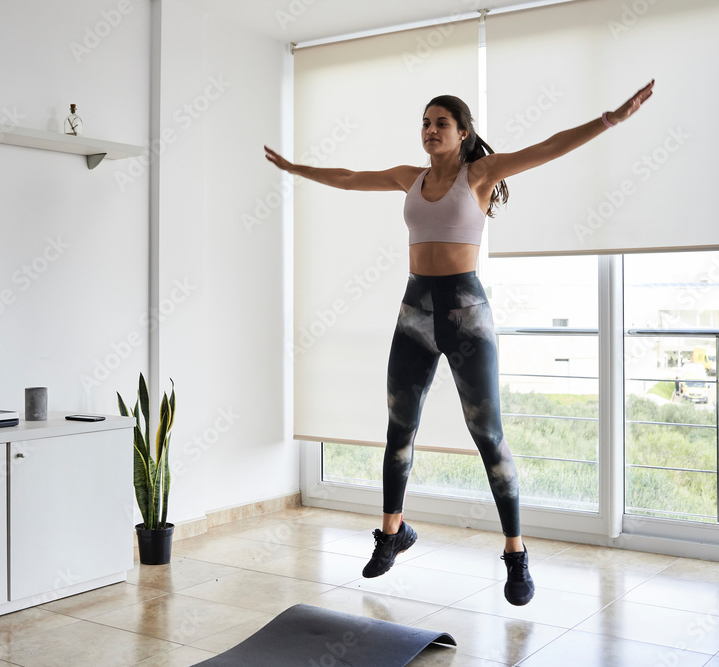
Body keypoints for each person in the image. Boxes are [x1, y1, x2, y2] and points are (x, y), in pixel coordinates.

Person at [265, 80, 654, 606]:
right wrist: (295, 169)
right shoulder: (411, 178)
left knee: (487, 434)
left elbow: (548, 147)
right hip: (414, 312)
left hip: (466, 315)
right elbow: (351, 177)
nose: (429, 130)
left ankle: (515, 554)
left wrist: (610, 118)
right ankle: (392, 533)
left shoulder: (481, 174)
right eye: (424, 123)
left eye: (440, 123)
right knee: (399, 427)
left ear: (463, 132)